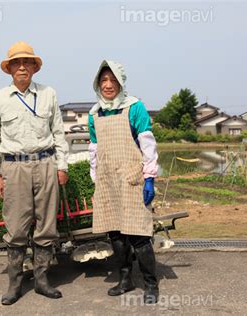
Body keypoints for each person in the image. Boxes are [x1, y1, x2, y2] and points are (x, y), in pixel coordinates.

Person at [0, 42, 69, 305]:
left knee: (46, 225)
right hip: (14, 167)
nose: (22, 67)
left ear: (34, 67)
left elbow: (58, 132)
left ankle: (43, 281)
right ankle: (14, 284)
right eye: (16, 63)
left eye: (27, 62)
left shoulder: (48, 94)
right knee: (16, 226)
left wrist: (62, 165)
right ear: (9, 68)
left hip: (45, 163)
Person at [88, 60, 160, 304]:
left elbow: (147, 143)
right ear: (98, 83)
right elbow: (94, 149)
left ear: (121, 82)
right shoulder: (94, 113)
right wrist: (96, 179)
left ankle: (151, 284)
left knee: (139, 233)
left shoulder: (134, 107)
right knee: (116, 234)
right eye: (104, 80)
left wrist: (149, 178)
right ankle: (125, 279)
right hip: (108, 180)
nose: (108, 85)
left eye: (113, 80)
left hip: (132, 178)